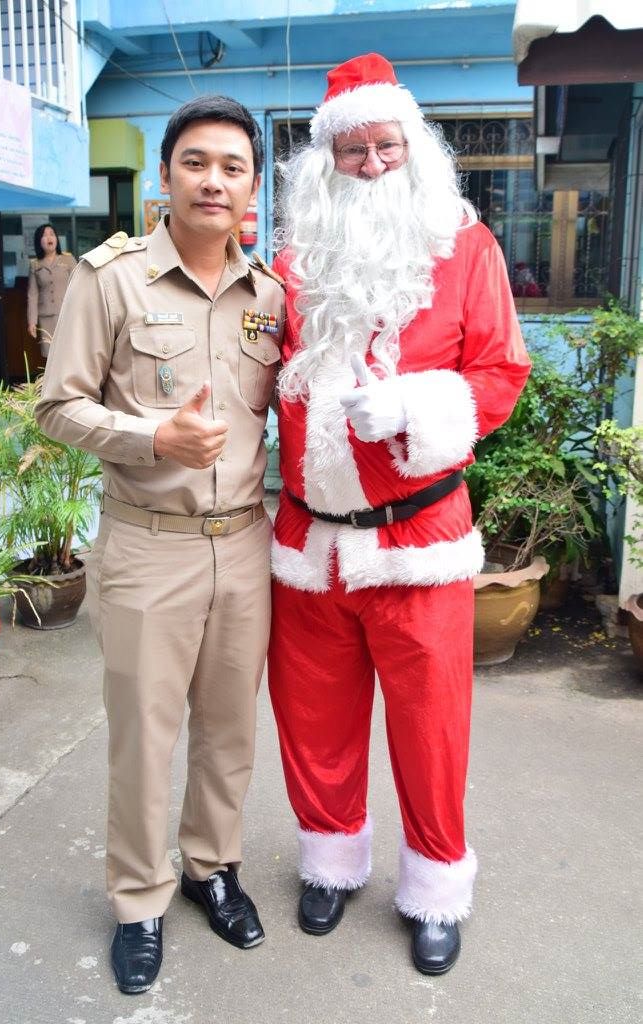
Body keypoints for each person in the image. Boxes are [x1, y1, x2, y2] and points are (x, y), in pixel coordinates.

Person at [268, 53, 531, 976]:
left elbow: (499, 371)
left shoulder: (467, 247)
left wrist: (418, 407)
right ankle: (331, 861)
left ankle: (434, 885)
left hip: (418, 539)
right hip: (309, 542)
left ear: (414, 148)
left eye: (387, 145)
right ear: (325, 163)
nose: (373, 164)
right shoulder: (292, 264)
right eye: (353, 150)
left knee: (430, 729)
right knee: (313, 719)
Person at [35, 95, 285, 995]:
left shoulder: (269, 298)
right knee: (144, 735)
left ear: (252, 188)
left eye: (232, 167)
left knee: (229, 728)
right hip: (149, 544)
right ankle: (139, 899)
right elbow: (57, 406)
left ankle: (212, 867)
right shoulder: (112, 279)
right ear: (165, 177)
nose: (213, 180)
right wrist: (153, 438)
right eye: (196, 162)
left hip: (245, 546)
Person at [27, 224, 77, 359]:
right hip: (46, 317)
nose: (49, 237)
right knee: (51, 357)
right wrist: (32, 322)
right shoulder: (35, 264)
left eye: (52, 234)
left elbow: (79, 285)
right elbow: (32, 295)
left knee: (70, 354)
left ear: (56, 239)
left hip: (67, 315)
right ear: (39, 241)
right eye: (44, 235)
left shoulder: (68, 259)